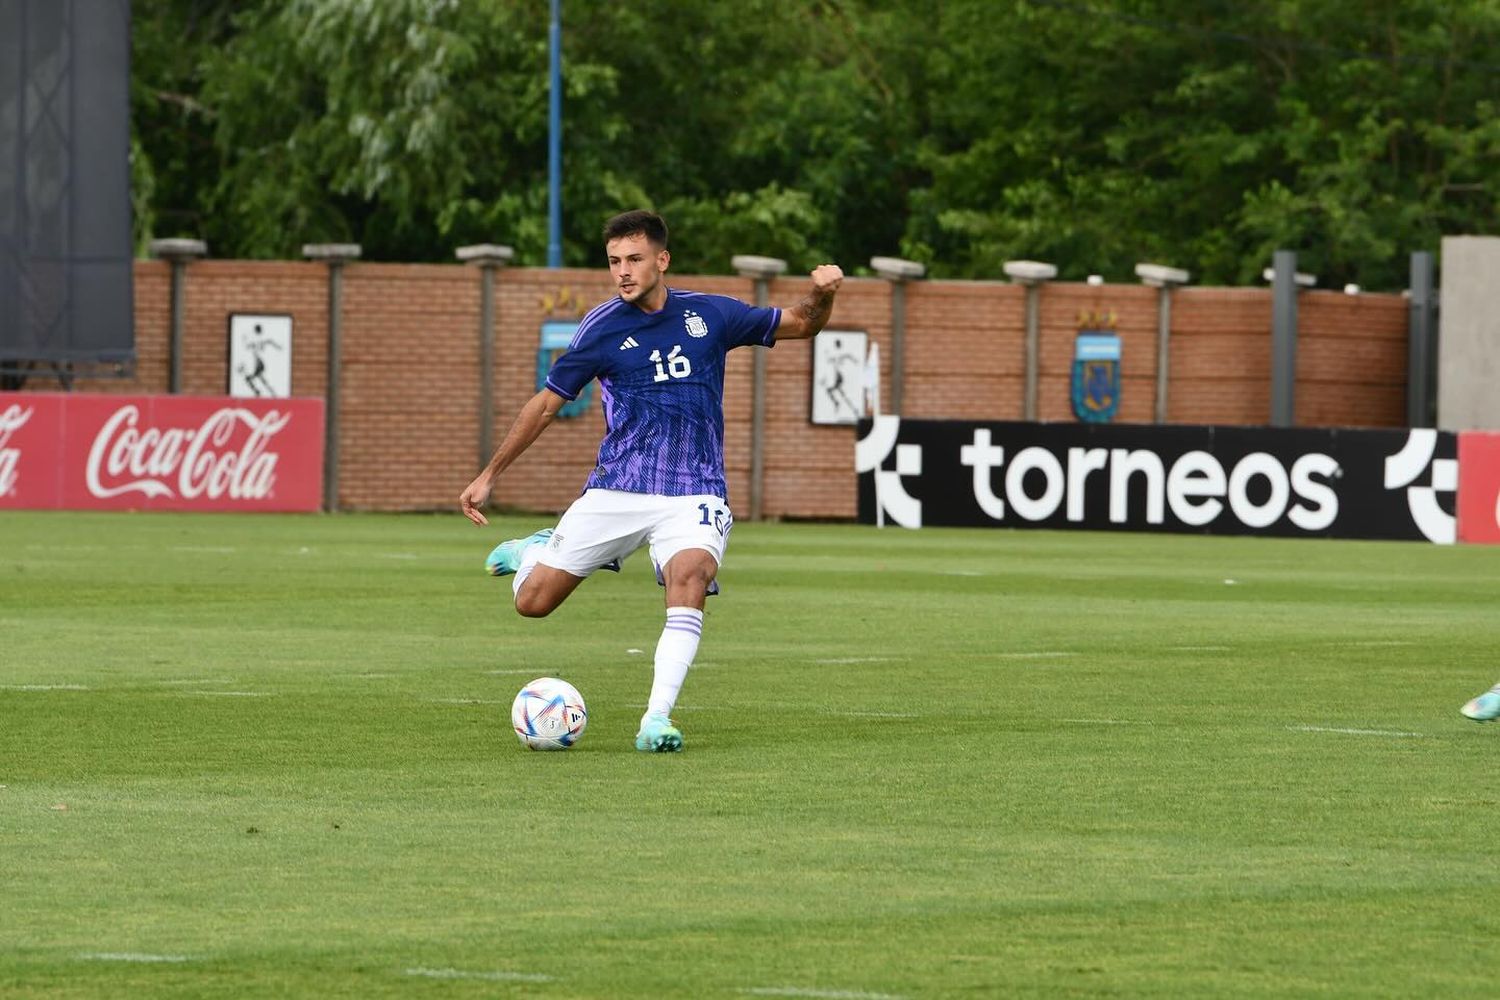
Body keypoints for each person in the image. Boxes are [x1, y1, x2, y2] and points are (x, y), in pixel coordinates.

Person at [459, 209, 844, 752]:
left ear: (662, 260)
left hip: (695, 488)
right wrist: (489, 474)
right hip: (619, 486)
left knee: (689, 576)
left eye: (634, 259)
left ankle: (655, 720)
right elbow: (546, 405)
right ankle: (533, 552)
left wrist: (823, 293)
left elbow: (803, 323)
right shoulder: (600, 328)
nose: (622, 270)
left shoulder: (710, 315)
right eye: (614, 261)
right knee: (533, 603)